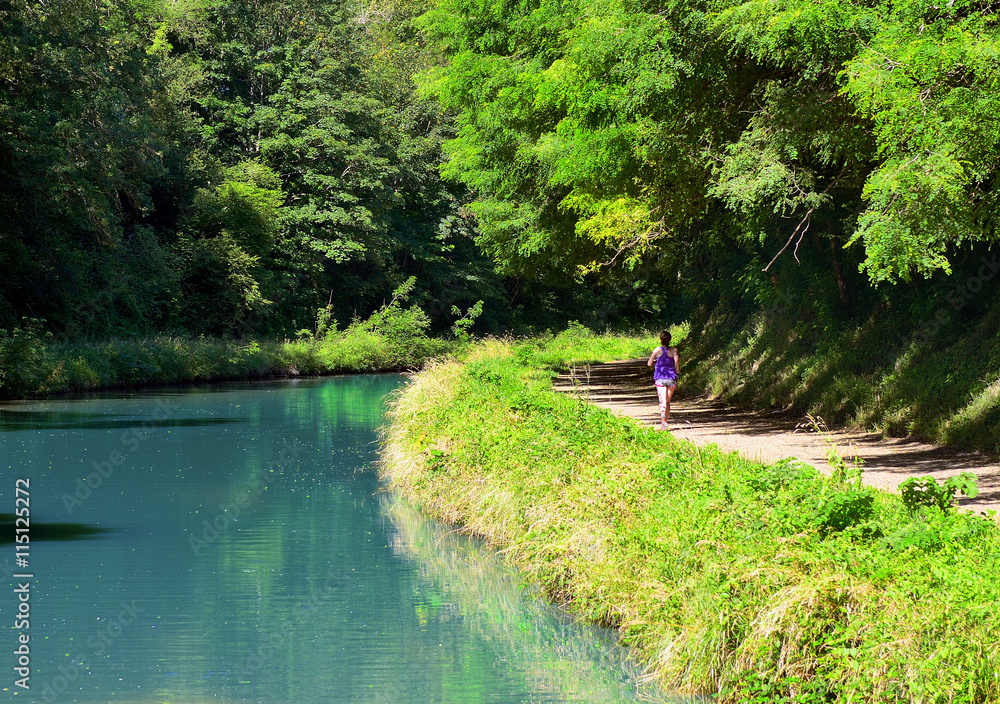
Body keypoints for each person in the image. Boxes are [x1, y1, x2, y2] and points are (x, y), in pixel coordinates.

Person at [647, 330, 679, 431]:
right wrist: (677, 369)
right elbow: (676, 360)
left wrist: (656, 360)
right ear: (669, 340)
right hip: (671, 378)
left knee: (663, 401)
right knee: (668, 402)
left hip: (660, 378)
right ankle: (666, 420)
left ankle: (663, 423)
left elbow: (649, 363)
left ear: (660, 340)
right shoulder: (674, 350)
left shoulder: (657, 350)